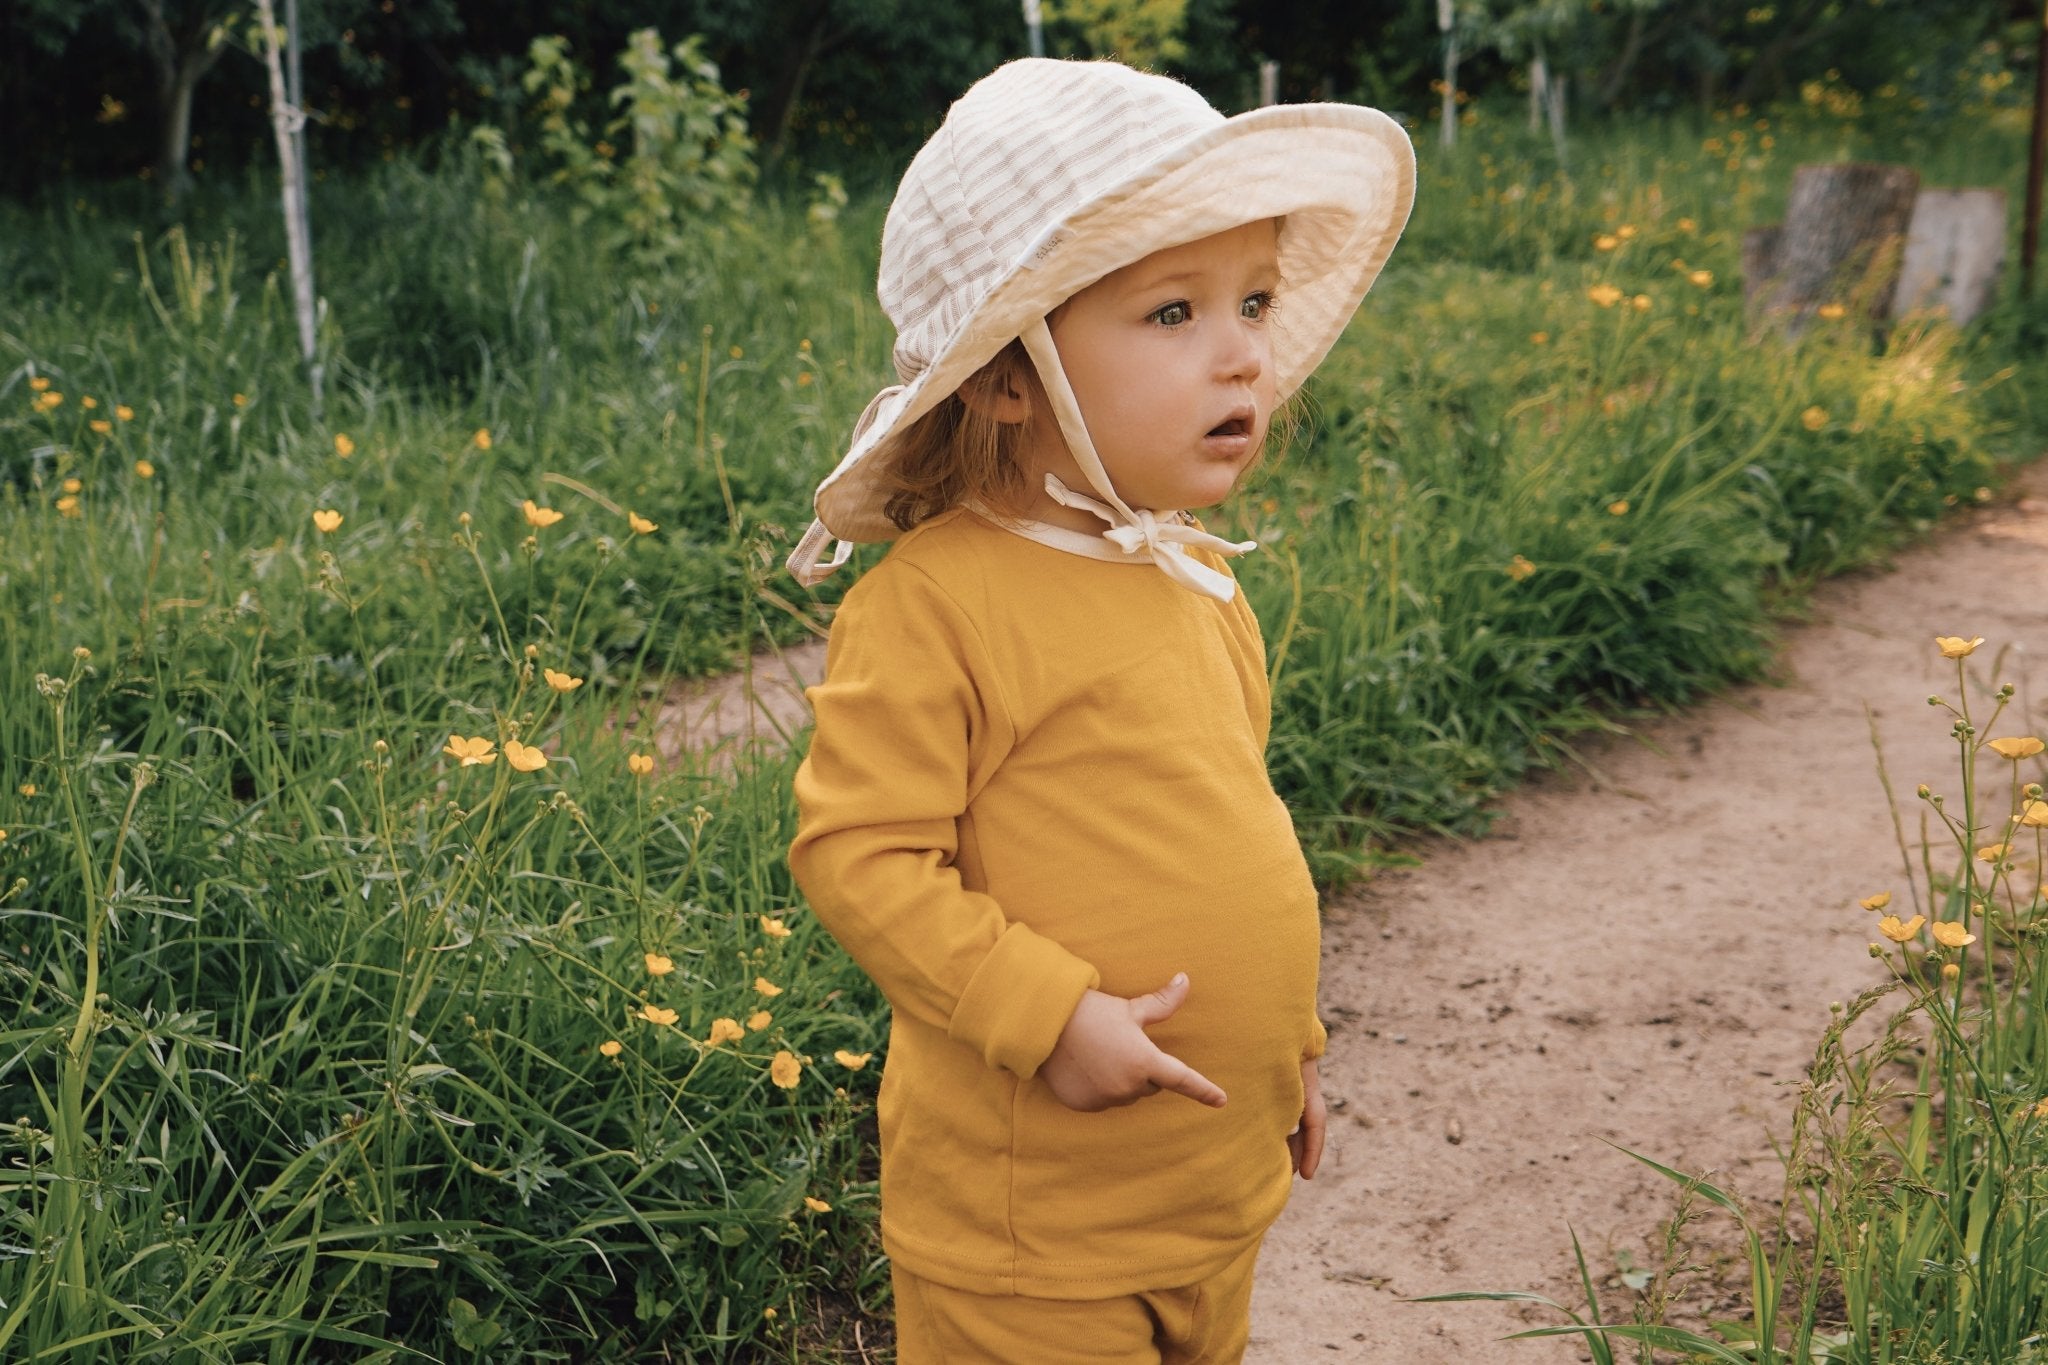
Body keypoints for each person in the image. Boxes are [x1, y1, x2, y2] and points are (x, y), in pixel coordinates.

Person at [785, 57, 1414, 1363]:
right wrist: (1048, 1014)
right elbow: (860, 853)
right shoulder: (939, 604)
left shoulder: (1191, 577)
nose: (1243, 348)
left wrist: (1286, 1042)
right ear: (1010, 377)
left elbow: (1229, 825)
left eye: (1253, 299)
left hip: (1205, 1190)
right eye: (1174, 311)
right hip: (1033, 1241)